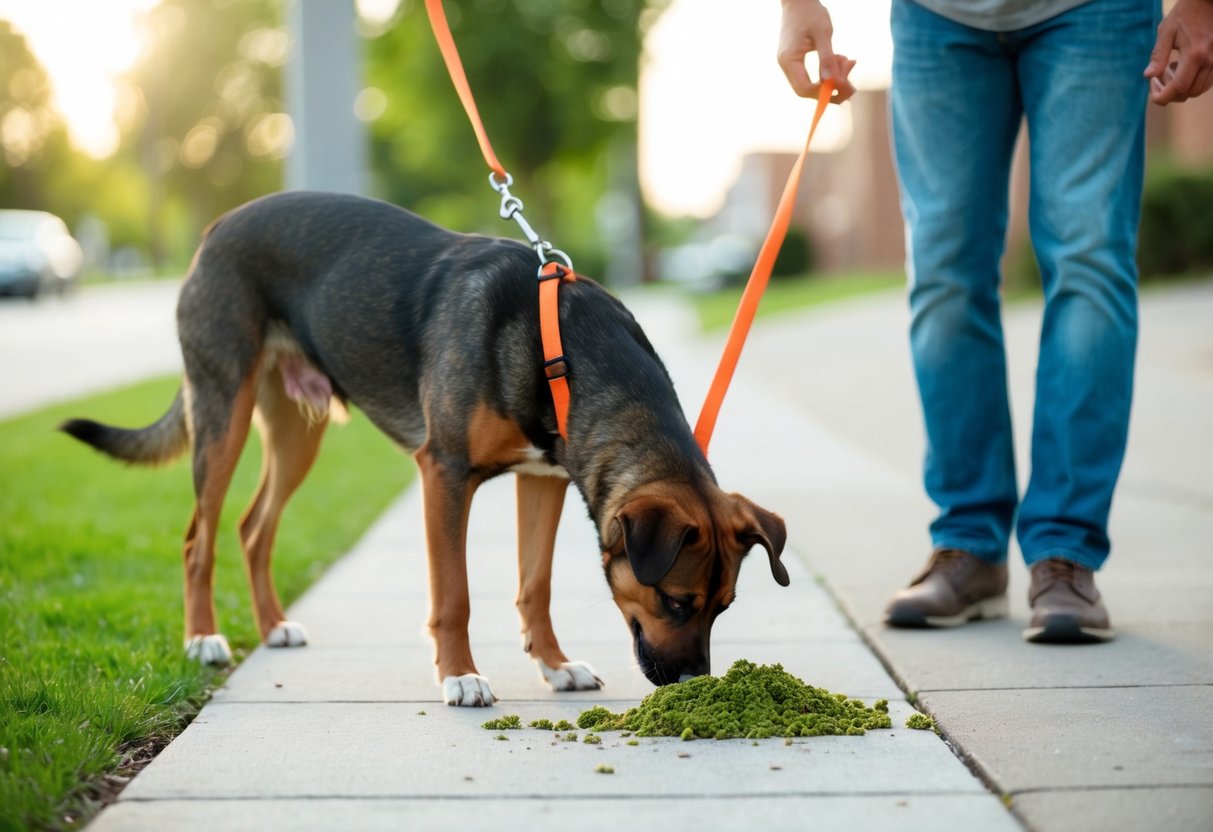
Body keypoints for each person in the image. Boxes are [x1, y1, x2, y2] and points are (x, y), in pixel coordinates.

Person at [776, 0, 1213, 643]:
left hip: (1098, 12)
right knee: (943, 272)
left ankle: (1066, 553)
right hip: (939, 15)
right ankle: (970, 546)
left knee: (1089, 259)